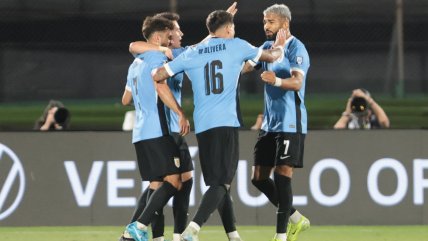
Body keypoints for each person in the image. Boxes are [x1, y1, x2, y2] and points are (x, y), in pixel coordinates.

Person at [152, 9, 285, 241]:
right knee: (222, 183)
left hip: (203, 126)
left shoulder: (193, 51)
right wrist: (280, 45)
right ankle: (192, 230)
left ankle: (233, 235)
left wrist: (178, 109)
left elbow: (159, 75)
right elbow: (271, 56)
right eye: (232, 27)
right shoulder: (236, 45)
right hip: (226, 122)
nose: (234, 31)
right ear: (228, 28)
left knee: (217, 184)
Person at [241, 4, 310, 241]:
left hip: (291, 123)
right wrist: (246, 61)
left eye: (270, 22)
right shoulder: (268, 47)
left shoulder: (297, 48)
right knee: (258, 178)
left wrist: (276, 81)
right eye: (264, 22)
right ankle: (295, 218)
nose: (265, 26)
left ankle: (281, 236)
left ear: (285, 23)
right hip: (270, 124)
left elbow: (297, 83)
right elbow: (246, 67)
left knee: (282, 177)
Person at [124, 11, 195, 241]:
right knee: (174, 181)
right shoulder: (156, 58)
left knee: (157, 184)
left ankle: (145, 235)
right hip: (160, 128)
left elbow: (126, 99)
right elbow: (160, 86)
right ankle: (139, 226)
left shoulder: (136, 64)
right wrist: (180, 112)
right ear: (158, 38)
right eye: (168, 34)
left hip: (141, 130)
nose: (172, 37)